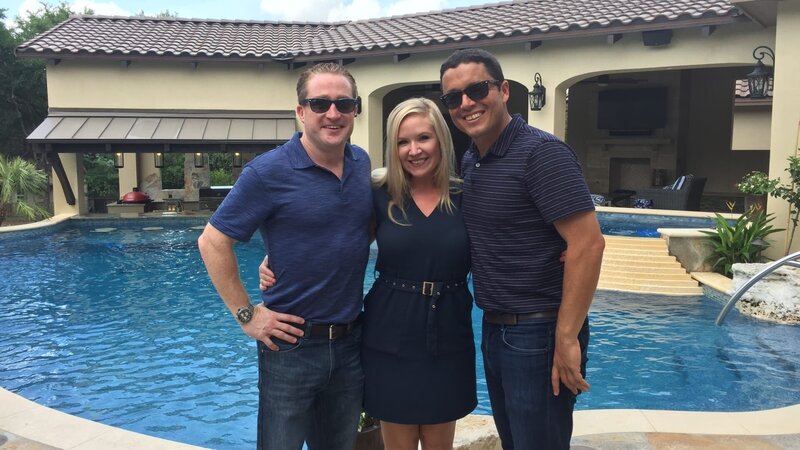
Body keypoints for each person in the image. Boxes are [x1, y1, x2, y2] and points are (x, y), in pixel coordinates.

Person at [260, 97, 477, 450]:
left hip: (449, 334)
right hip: (388, 335)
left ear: (441, 138)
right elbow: (335, 237)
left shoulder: (467, 196)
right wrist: (278, 258)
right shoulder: (378, 194)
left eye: (423, 138)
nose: (414, 150)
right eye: (402, 142)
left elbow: (503, 241)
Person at [197, 62, 372, 450]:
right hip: (290, 346)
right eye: (320, 102)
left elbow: (360, 230)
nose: (333, 113)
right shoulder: (268, 172)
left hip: (348, 343)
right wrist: (247, 314)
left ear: (355, 110)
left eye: (344, 103)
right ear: (300, 111)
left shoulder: (362, 166)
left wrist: (276, 255)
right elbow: (211, 242)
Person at [438, 48, 605, 449]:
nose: (466, 103)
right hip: (497, 327)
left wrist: (566, 338)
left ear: (504, 90)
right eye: (453, 98)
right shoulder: (472, 160)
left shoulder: (541, 153)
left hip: (540, 331)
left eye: (477, 89)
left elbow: (588, 244)